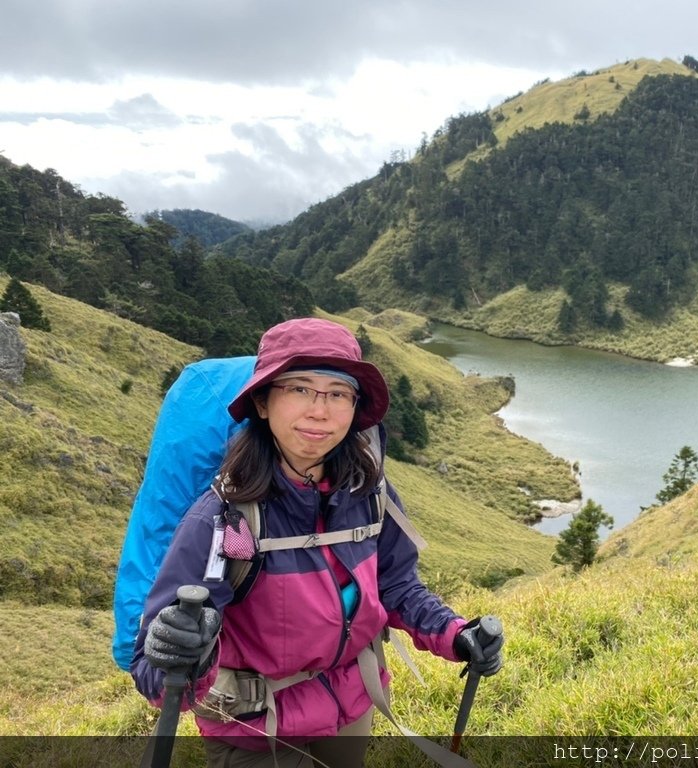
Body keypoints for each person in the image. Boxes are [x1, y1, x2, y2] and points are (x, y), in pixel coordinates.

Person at [130, 317, 504, 767]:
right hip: (256, 727)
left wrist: (456, 634)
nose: (319, 411)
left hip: (352, 706)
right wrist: (182, 651)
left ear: (354, 407)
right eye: (299, 389)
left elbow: (397, 586)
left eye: (337, 393)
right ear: (264, 402)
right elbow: (156, 675)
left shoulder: (369, 494)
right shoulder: (224, 520)